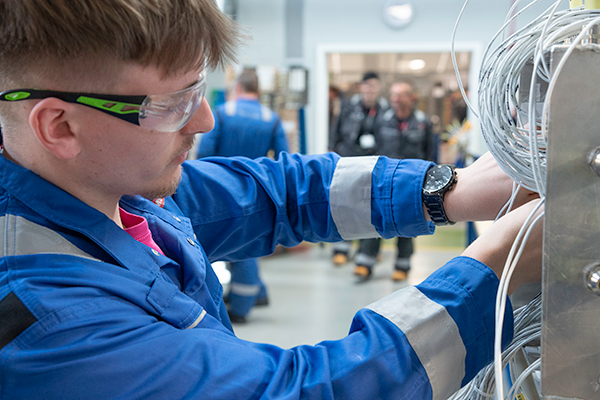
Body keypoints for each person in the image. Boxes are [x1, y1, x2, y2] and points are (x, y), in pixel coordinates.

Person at [0, 1, 542, 399]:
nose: (205, 120)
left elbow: (279, 193)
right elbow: (297, 393)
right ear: (60, 125)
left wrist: (449, 191)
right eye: (171, 105)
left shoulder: (108, 190)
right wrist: (491, 269)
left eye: (200, 91)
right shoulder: (47, 317)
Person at [197, 68, 289, 323]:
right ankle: (257, 294)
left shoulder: (224, 113)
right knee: (249, 242)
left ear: (237, 88)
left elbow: (205, 151)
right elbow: (284, 158)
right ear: (258, 91)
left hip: (221, 187)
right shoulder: (271, 118)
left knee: (235, 248)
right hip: (257, 189)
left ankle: (240, 308)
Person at [353, 79, 436, 282]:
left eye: (400, 95)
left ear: (412, 97)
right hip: (383, 181)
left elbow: (430, 154)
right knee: (375, 221)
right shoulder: (381, 120)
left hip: (411, 184)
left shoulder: (423, 122)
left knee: (407, 223)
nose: (395, 100)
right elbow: (371, 148)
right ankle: (365, 263)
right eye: (393, 96)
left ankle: (402, 266)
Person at [328, 71, 389, 266]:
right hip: (349, 160)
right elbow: (335, 131)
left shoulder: (384, 110)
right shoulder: (348, 107)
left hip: (372, 164)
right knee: (344, 203)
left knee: (369, 206)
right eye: (366, 86)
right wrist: (332, 154)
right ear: (361, 87)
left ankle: (367, 251)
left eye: (373, 86)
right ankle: (341, 249)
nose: (370, 90)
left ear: (378, 89)